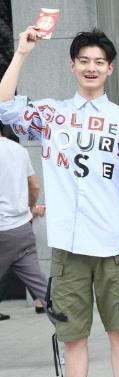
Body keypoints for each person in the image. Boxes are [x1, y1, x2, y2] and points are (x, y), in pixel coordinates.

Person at [0, 27, 119, 377]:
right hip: (67, 242)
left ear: (110, 68)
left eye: (99, 61)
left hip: (114, 240)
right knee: (71, 333)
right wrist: (22, 53)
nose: (91, 67)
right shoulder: (52, 114)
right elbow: (4, 107)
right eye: (84, 60)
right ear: (72, 66)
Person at [0, 123, 49, 317]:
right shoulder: (19, 149)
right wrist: (28, 208)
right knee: (42, 287)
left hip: (2, 230)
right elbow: (34, 186)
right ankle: (69, 329)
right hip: (22, 229)